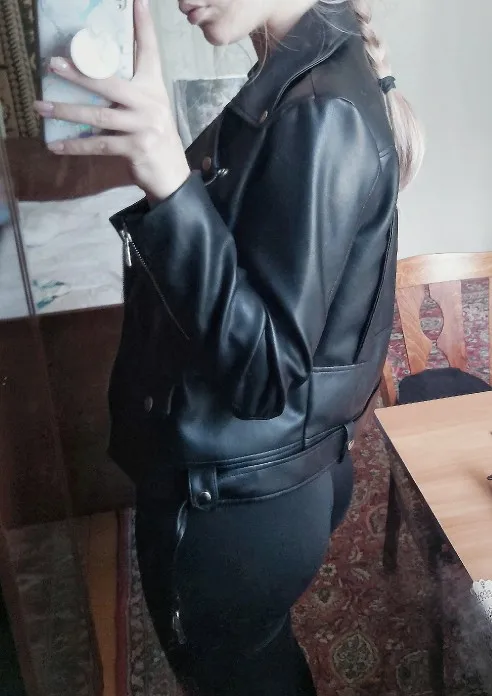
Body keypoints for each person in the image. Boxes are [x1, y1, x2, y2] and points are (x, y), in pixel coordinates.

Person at [33, 0, 423, 693]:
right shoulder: (303, 69)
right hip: (271, 477)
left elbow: (265, 372)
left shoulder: (317, 110)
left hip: (235, 503)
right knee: (259, 665)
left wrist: (168, 180)